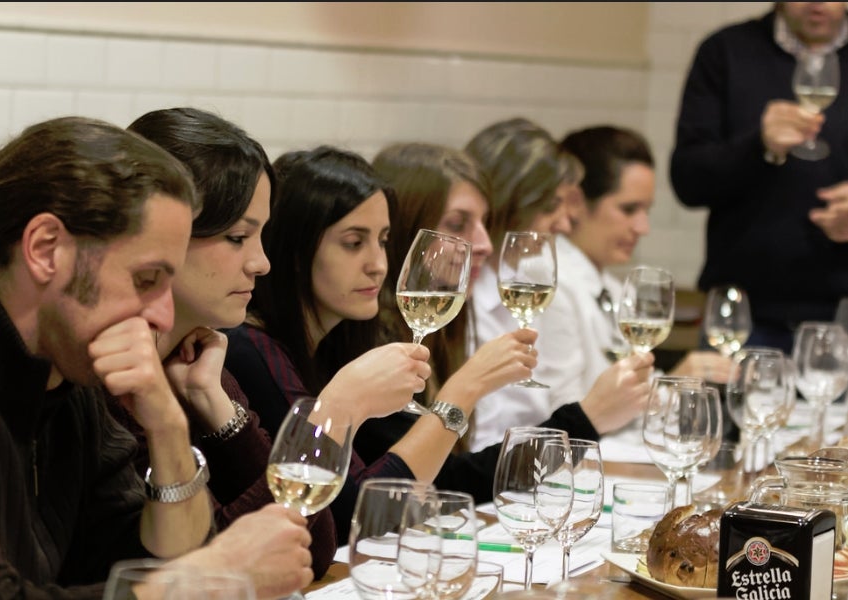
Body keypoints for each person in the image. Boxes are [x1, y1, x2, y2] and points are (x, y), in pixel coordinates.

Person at [0, 116, 313, 599]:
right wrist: (218, 573)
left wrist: (167, 427)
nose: (163, 315)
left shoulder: (68, 387)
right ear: (45, 249)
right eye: (146, 280)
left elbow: (160, 556)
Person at [224, 145, 538, 543]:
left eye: (383, 240)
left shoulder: (335, 344)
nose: (378, 263)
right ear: (296, 251)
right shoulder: (251, 348)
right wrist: (464, 391)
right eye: (354, 243)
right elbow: (358, 512)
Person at [119, 107, 350, 582]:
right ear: (161, 232)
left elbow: (314, 546)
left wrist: (217, 406)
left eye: (261, 236)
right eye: (237, 237)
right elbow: (200, 564)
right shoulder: (111, 375)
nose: (261, 262)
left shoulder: (200, 354)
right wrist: (344, 406)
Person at [372, 140, 656, 454]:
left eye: (483, 221)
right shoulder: (389, 332)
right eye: (457, 224)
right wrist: (588, 417)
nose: (483, 244)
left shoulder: (459, 307)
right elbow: (432, 475)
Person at [464, 117, 656, 451]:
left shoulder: (521, 290)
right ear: (513, 203)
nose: (566, 222)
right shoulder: (526, 284)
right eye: (552, 206)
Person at [515, 125, 731, 415]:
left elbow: (628, 394)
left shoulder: (611, 287)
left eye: (646, 211)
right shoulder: (546, 282)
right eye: (629, 209)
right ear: (575, 203)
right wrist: (671, 386)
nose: (643, 228)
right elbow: (563, 410)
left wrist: (674, 383)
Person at [670, 2, 848, 354]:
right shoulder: (726, 51)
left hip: (841, 315)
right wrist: (758, 146)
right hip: (743, 315)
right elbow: (687, 180)